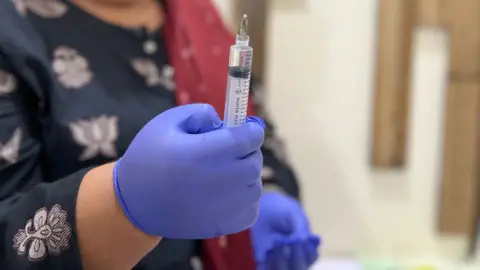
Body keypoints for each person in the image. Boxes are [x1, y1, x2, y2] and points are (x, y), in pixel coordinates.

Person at [0, 0, 320, 269]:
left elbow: (257, 127)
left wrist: (268, 194)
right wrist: (119, 203)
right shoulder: (14, 30)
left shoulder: (197, 17)